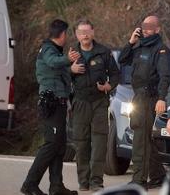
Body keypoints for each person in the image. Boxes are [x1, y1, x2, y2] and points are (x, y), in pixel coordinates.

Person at [21, 20, 80, 195]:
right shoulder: (47, 49)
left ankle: (56, 186)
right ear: (61, 34)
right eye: (66, 34)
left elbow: (58, 72)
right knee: (51, 144)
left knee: (60, 145)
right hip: (52, 103)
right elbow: (53, 62)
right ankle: (29, 184)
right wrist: (68, 60)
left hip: (60, 102)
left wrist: (71, 69)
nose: (67, 37)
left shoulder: (55, 51)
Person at [118, 15, 170, 189]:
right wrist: (131, 41)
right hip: (138, 97)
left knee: (140, 139)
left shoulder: (161, 50)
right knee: (145, 139)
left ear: (157, 29)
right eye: (144, 26)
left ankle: (138, 180)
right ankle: (158, 176)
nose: (146, 29)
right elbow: (122, 59)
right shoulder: (139, 47)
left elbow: (165, 76)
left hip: (150, 98)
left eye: (150, 26)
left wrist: (162, 98)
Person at [70, 19, 120, 192]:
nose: (85, 35)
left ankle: (96, 181)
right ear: (76, 34)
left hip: (99, 102)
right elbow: (59, 76)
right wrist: (71, 70)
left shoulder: (104, 52)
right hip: (80, 102)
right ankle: (83, 181)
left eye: (87, 31)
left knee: (99, 143)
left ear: (93, 33)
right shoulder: (71, 54)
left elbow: (115, 75)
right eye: (81, 32)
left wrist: (108, 86)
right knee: (81, 143)